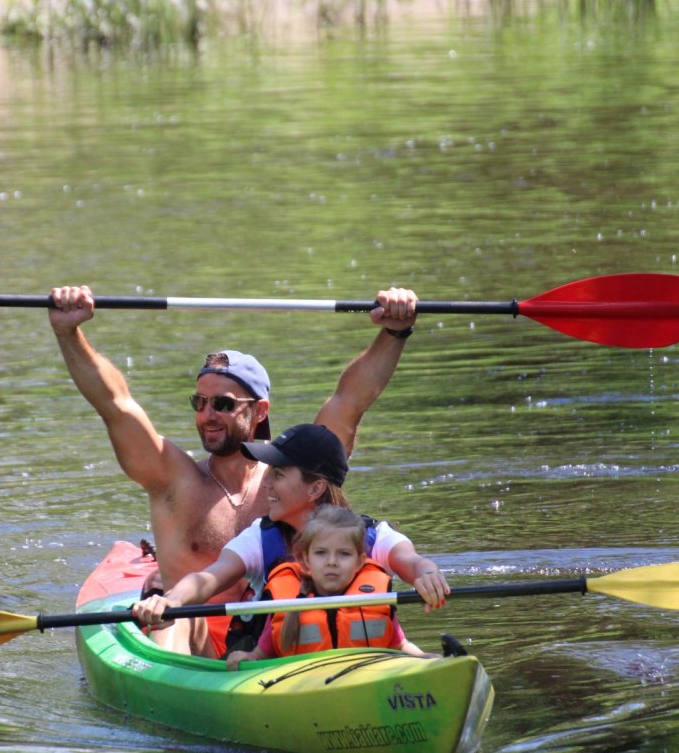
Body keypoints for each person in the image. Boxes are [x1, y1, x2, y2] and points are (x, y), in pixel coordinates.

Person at [49, 283, 422, 655]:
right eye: (200, 402)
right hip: (196, 649)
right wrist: (69, 331)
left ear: (259, 411)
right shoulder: (173, 478)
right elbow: (115, 405)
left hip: (283, 643)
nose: (207, 415)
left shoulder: (295, 476)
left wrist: (394, 331)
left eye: (223, 404)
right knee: (186, 615)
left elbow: (350, 401)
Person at [132, 423, 450, 656]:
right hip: (270, 674)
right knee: (181, 622)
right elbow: (207, 579)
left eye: (279, 475)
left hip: (359, 669)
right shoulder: (261, 537)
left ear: (315, 489)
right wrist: (171, 600)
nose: (266, 484)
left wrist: (425, 573)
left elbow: (410, 560)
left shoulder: (370, 536)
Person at [225, 504, 434, 669]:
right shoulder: (287, 601)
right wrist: (247, 657)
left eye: (344, 554)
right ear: (305, 560)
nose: (332, 562)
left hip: (365, 680)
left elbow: (400, 645)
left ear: (360, 561)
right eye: (321, 553)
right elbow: (262, 654)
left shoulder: (373, 600)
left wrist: (428, 660)